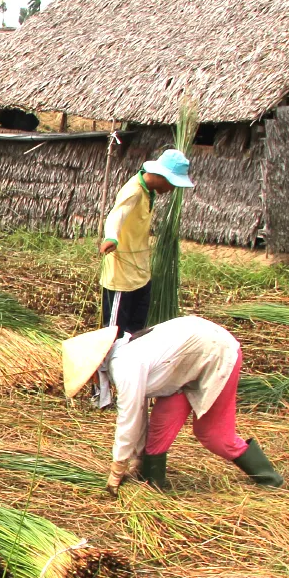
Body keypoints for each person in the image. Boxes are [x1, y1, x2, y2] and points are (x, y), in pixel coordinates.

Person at [82, 315, 285, 493]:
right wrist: (137, 457)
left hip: (215, 352)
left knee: (213, 434)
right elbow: (139, 411)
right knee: (159, 429)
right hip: (183, 367)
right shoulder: (121, 354)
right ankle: (152, 486)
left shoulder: (124, 366)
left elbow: (129, 419)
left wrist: (118, 468)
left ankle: (269, 479)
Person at [94, 147, 194, 406]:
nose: (173, 189)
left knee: (136, 333)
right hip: (121, 277)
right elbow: (116, 215)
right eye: (172, 183)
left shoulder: (149, 192)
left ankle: (128, 384)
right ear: (161, 176)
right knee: (113, 335)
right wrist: (111, 237)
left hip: (140, 272)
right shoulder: (133, 190)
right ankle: (101, 391)